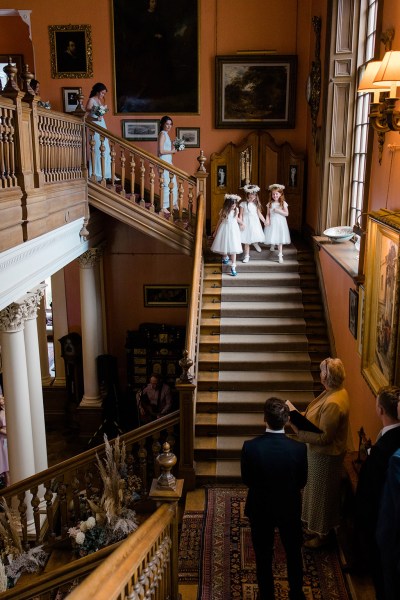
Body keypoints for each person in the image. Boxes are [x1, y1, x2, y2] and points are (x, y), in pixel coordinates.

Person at [241, 397, 307, 600]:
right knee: (294, 552)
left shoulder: (250, 447)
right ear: (287, 420)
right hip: (289, 507)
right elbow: (302, 481)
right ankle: (296, 593)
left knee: (263, 555)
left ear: (264, 419)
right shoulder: (299, 449)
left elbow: (247, 479)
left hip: (261, 507)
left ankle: (267, 595)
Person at [290, 357, 350, 548]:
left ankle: (322, 536)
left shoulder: (334, 402)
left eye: (321, 371)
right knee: (315, 491)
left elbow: (325, 438)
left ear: (326, 377)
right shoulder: (335, 391)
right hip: (318, 455)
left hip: (325, 457)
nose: (319, 374)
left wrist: (299, 431)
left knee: (321, 496)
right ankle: (314, 527)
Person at [355, 386, 400, 600]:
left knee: (384, 583)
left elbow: (368, 496)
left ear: (380, 410)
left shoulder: (382, 452)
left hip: (384, 528)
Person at [211, 193, 243, 277]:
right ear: (228, 204)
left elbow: (236, 219)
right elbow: (219, 221)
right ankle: (225, 256)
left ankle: (233, 266)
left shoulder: (236, 210)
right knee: (223, 243)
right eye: (232, 204)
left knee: (234, 247)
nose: (234, 206)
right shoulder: (223, 210)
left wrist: (242, 223)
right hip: (224, 228)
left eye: (235, 204)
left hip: (233, 230)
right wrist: (216, 231)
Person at [85, 83, 112, 182]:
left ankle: (105, 172)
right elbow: (87, 114)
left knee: (106, 147)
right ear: (97, 91)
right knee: (97, 148)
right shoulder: (91, 100)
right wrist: (96, 116)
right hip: (95, 126)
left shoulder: (99, 101)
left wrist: (102, 112)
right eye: (102, 93)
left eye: (104, 94)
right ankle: (96, 173)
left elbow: (100, 113)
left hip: (102, 124)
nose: (103, 95)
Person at [158, 115, 179, 215]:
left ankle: (173, 203)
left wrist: (174, 146)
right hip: (163, 162)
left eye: (170, 124)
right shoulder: (162, 134)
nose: (169, 126)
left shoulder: (166, 134)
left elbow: (168, 150)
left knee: (173, 182)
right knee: (166, 184)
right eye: (167, 124)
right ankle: (163, 206)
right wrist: (172, 151)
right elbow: (161, 151)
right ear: (162, 124)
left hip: (168, 161)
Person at [264, 183, 291, 264]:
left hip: (280, 223)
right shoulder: (270, 204)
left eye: (277, 194)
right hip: (273, 222)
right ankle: (272, 245)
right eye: (273, 194)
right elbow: (268, 214)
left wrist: (278, 210)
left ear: (280, 194)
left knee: (279, 238)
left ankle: (280, 255)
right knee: (272, 234)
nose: (275, 195)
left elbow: (286, 214)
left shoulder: (283, 203)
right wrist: (267, 220)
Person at [239, 183, 266, 262]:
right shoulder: (243, 204)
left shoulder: (256, 204)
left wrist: (264, 221)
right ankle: (247, 256)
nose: (252, 197)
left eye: (253, 195)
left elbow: (259, 214)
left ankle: (255, 243)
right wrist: (241, 223)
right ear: (247, 195)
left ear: (255, 196)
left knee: (255, 234)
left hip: (254, 223)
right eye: (250, 195)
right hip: (246, 222)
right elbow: (240, 215)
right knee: (247, 240)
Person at [0, 396, 9, 487]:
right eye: (0, 398)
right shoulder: (0, 413)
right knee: (6, 463)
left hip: (11, 438)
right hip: (3, 439)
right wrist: (7, 433)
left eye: (2, 398)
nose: (2, 399)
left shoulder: (10, 410)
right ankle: (8, 484)